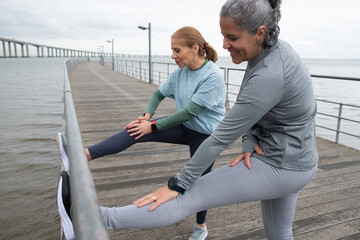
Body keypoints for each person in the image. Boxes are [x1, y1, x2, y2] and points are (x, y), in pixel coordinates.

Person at [59, 0, 319, 239]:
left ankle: (91, 218)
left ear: (260, 33)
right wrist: (249, 142)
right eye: (223, 36)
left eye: (232, 37)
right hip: (297, 162)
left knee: (186, 196)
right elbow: (255, 109)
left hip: (281, 165)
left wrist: (178, 183)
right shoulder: (270, 53)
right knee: (280, 234)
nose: (225, 44)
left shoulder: (270, 73)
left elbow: (220, 137)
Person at [83, 26, 226, 239]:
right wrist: (146, 118)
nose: (172, 55)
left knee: (199, 183)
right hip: (186, 127)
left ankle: (201, 226)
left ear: (195, 48)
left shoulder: (212, 76)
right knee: (136, 130)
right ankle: (85, 154)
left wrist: (152, 126)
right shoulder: (180, 73)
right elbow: (157, 94)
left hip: (206, 136)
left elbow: (189, 112)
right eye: (172, 50)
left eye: (177, 50)